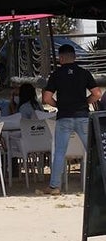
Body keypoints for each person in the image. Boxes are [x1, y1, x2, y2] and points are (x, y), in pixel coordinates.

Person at [42, 43, 103, 195]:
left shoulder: (56, 75)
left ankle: (55, 186)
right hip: (82, 116)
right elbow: (97, 94)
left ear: (60, 58)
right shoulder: (84, 73)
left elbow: (46, 97)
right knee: (94, 151)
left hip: (64, 117)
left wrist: (58, 105)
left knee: (60, 152)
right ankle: (102, 181)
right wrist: (85, 102)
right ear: (75, 57)